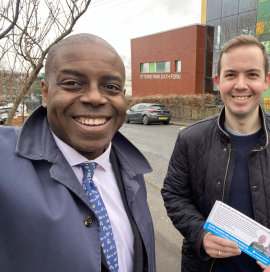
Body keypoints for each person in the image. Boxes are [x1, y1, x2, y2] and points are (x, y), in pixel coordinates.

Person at [161, 35, 270, 272]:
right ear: (218, 81)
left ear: (266, 80)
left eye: (252, 74)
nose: (241, 84)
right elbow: (174, 195)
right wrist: (200, 234)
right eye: (231, 75)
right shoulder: (190, 138)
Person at [0, 34, 155, 272]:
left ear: (122, 96)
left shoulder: (132, 168)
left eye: (110, 87)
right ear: (45, 92)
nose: (95, 97)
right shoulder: (4, 159)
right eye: (72, 83)